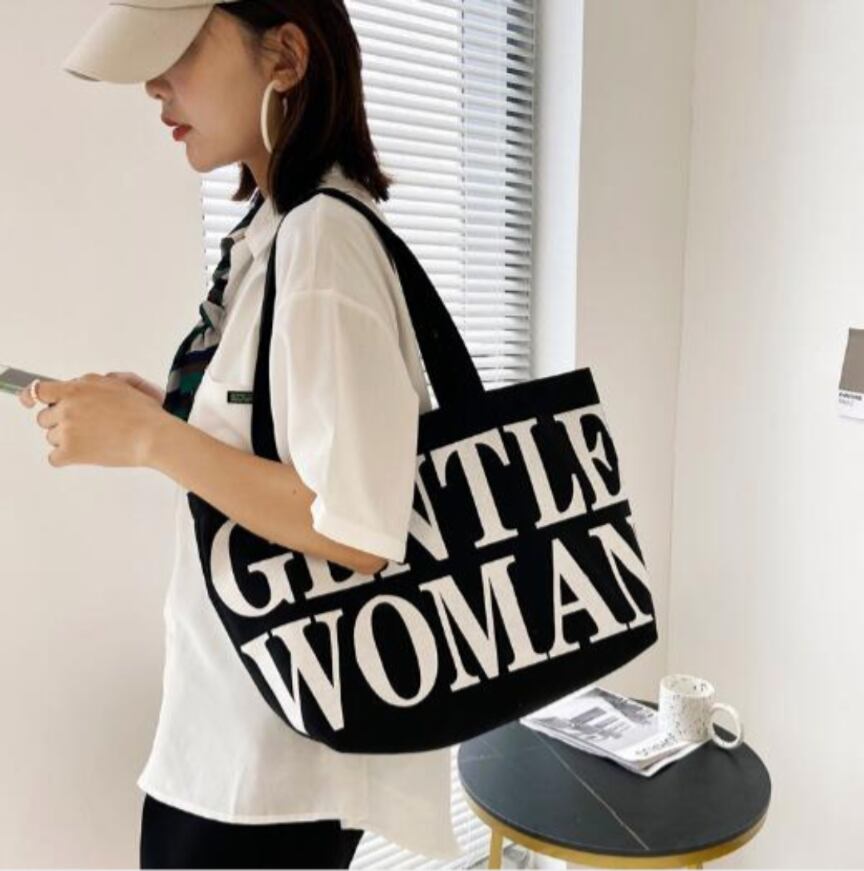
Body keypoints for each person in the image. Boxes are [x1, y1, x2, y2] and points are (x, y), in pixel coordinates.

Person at [19, 0, 464, 867]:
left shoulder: (323, 241)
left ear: (286, 57)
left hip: (272, 765)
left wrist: (150, 440)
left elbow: (358, 528)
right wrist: (163, 413)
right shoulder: (282, 231)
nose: (155, 85)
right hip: (240, 739)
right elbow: (291, 449)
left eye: (181, 48)